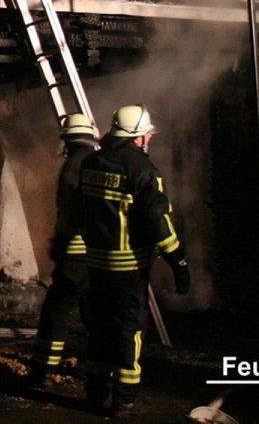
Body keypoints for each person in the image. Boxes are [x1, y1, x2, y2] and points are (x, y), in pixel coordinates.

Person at [77, 105, 190, 417]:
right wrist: (178, 262)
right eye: (147, 135)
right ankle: (123, 399)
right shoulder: (143, 170)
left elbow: (80, 210)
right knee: (129, 330)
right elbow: (158, 221)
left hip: (95, 265)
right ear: (137, 137)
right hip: (128, 268)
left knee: (100, 328)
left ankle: (95, 392)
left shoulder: (91, 163)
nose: (149, 139)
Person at [28, 112, 99, 388]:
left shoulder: (73, 167)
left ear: (69, 141)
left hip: (75, 254)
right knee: (95, 315)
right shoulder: (99, 162)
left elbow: (71, 213)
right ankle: (98, 374)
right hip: (100, 255)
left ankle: (43, 370)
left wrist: (60, 245)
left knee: (56, 311)